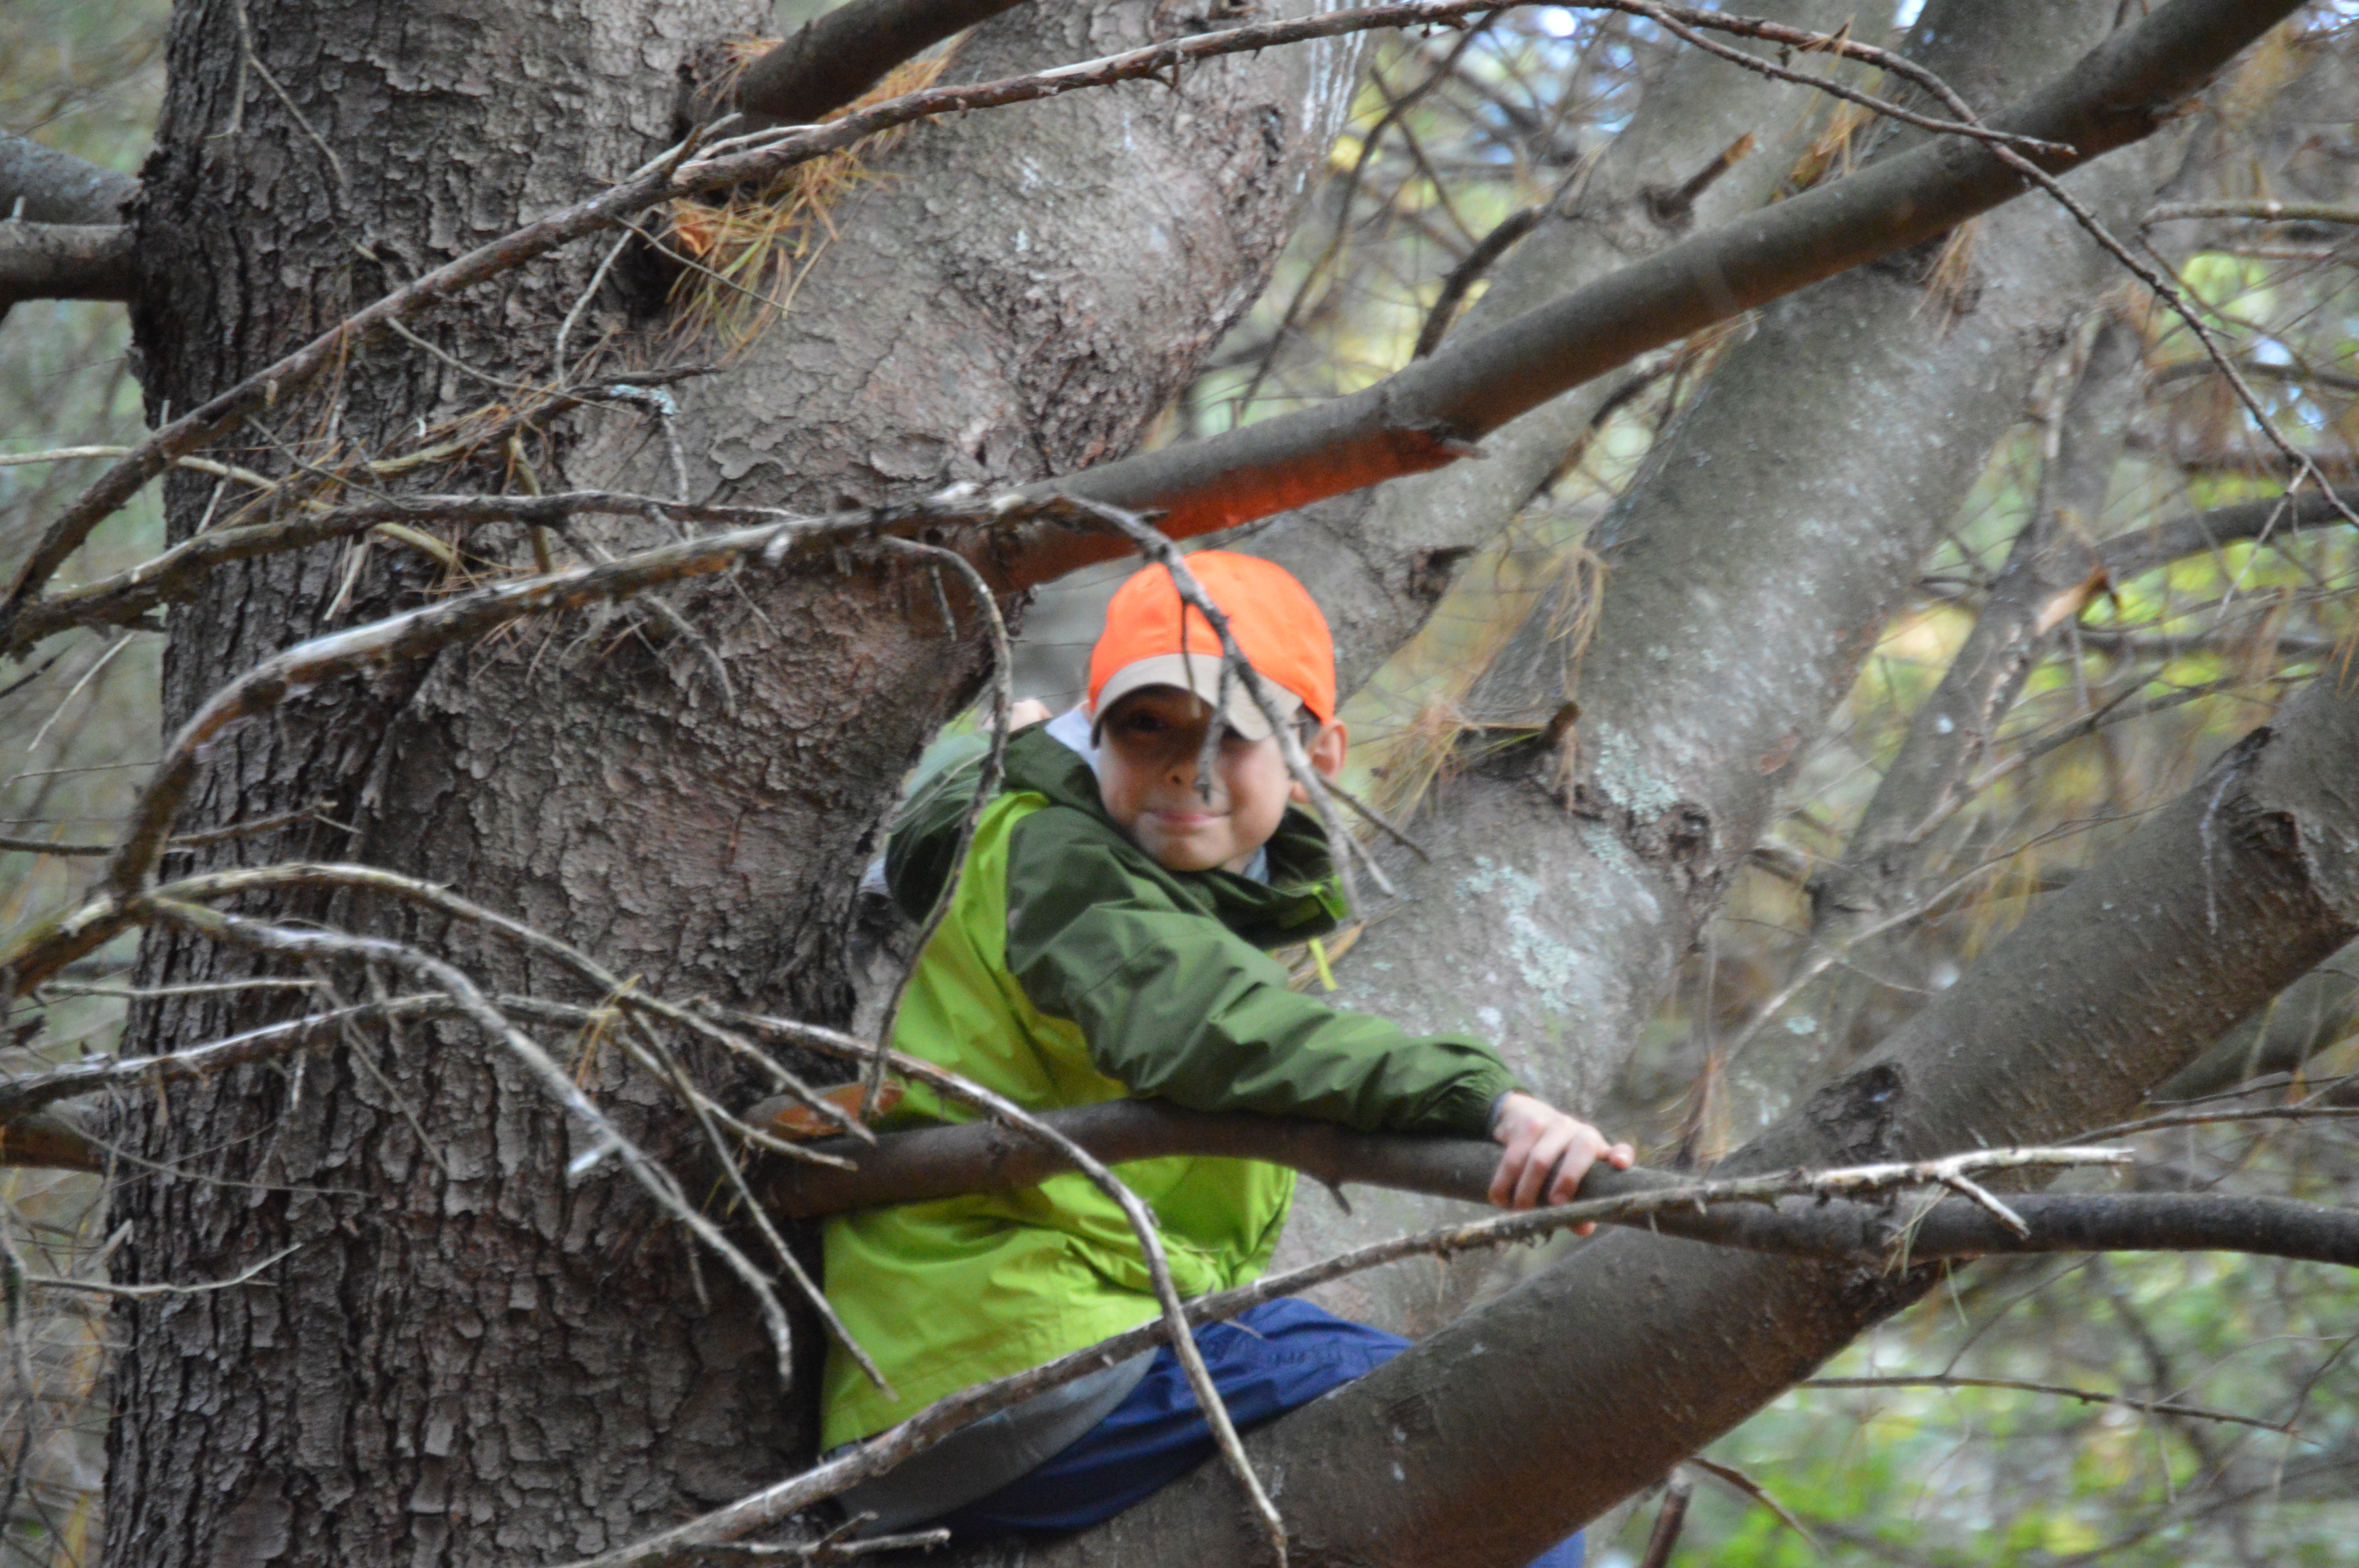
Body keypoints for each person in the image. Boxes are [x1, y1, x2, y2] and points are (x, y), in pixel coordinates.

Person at [821, 552, 1629, 1559]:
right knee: (1504, 1463)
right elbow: (1209, 1026)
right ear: (1091, 728)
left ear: (1317, 753)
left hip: (986, 1385)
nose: (1185, 769)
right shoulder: (1058, 858)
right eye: (1144, 725)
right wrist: (1486, 1104)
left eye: (1234, 733)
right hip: (1028, 1366)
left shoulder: (1114, 868)